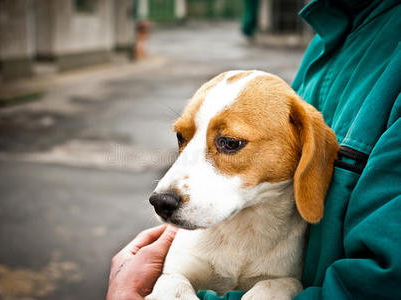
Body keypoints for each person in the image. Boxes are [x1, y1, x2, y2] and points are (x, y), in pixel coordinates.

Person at [107, 0, 401, 299]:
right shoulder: (326, 39)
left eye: (230, 144)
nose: (165, 192)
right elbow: (172, 276)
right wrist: (171, 283)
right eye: (183, 138)